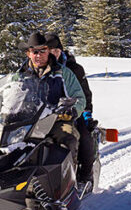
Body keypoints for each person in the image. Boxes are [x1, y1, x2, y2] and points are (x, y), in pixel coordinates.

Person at [16, 31, 86, 167]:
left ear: (48, 51)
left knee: (67, 137)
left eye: (42, 51)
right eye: (34, 51)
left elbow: (79, 98)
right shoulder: (20, 75)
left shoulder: (63, 73)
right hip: (26, 122)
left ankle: (70, 179)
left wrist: (71, 110)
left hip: (56, 120)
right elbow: (9, 95)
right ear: (28, 53)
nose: (38, 55)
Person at [45, 32, 97, 184]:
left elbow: (85, 94)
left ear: (61, 50)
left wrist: (86, 113)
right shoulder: (41, 67)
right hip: (44, 113)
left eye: (56, 50)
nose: (54, 54)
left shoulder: (73, 69)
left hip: (72, 112)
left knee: (84, 137)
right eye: (50, 51)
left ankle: (85, 176)